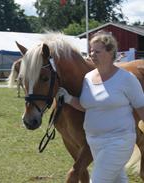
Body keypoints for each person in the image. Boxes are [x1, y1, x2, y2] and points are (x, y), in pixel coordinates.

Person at [57, 31, 144, 183]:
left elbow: (141, 108)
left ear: (111, 52)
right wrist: (68, 98)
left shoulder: (126, 79)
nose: (92, 54)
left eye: (97, 51)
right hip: (95, 142)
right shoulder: (88, 77)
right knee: (118, 180)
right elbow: (88, 107)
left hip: (118, 141)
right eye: (91, 51)